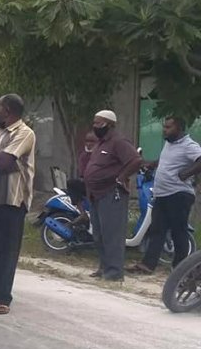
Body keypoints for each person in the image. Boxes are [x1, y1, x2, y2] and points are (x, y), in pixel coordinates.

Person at [0, 94, 36, 315]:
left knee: (7, 251)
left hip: (13, 201)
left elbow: (4, 162)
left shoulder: (25, 133)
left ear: (9, 110)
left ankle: (3, 297)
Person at [128, 117, 201, 274]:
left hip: (179, 195)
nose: (164, 130)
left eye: (168, 127)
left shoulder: (189, 146)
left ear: (179, 128)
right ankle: (148, 265)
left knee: (178, 231)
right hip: (162, 194)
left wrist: (187, 173)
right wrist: (150, 164)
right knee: (157, 230)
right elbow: (164, 162)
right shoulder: (169, 144)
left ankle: (181, 269)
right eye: (164, 127)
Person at [83, 110, 141, 281]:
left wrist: (121, 177)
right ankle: (104, 267)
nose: (95, 126)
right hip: (95, 194)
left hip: (111, 193)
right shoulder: (101, 143)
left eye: (98, 123)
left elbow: (135, 160)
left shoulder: (119, 142)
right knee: (99, 234)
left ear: (110, 124)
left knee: (112, 234)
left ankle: (114, 273)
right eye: (94, 123)